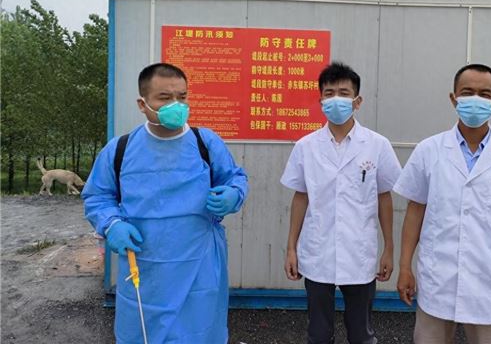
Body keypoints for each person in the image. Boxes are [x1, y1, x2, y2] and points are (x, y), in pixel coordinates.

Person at [82, 63, 248, 344]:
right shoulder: (120, 149)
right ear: (142, 103)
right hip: (144, 266)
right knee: (143, 334)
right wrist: (111, 224)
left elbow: (234, 178)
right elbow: (98, 196)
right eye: (165, 98)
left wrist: (233, 194)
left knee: (199, 332)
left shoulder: (205, 143)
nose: (176, 105)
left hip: (199, 266)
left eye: (182, 97)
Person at [394, 63, 491, 344]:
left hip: (489, 285)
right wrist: (405, 266)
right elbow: (415, 211)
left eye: (484, 94)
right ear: (453, 98)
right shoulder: (429, 151)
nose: (475, 100)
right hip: (438, 281)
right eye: (467, 92)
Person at [281, 62, 402, 344]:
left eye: (344, 93)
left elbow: (384, 197)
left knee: (361, 333)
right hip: (317, 250)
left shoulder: (377, 145)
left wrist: (389, 248)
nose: (336, 99)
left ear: (357, 101)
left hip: (359, 252)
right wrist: (291, 248)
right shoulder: (306, 146)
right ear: (321, 101)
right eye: (329, 93)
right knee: (318, 333)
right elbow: (301, 197)